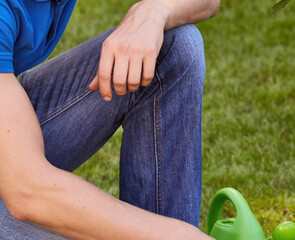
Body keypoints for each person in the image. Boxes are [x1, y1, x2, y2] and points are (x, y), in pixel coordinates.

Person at [0, 0, 219, 239]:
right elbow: (26, 190)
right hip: (19, 181)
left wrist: (154, 11)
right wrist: (175, 234)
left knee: (175, 46)